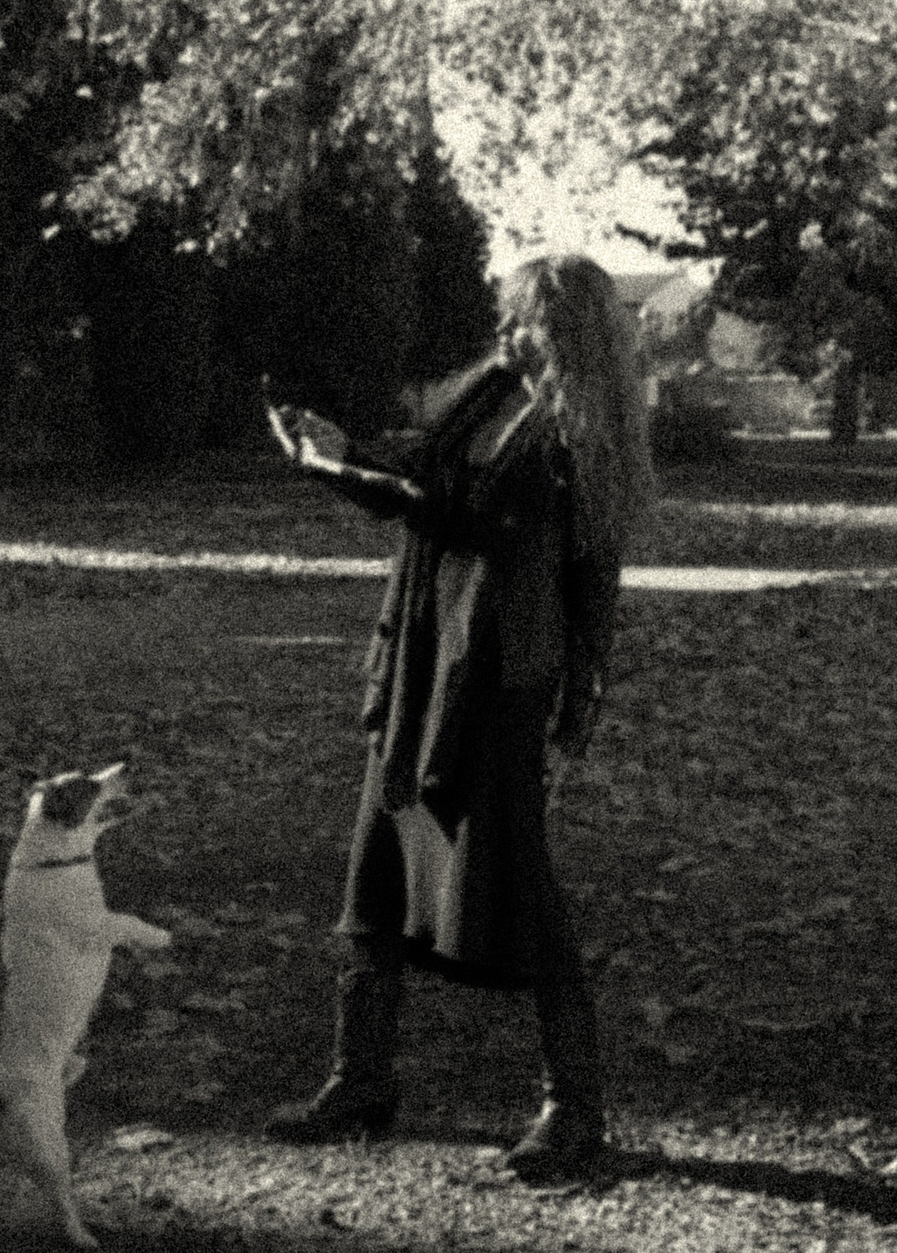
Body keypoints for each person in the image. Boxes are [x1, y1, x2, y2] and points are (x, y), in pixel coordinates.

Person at [260, 253, 653, 1181]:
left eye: (524, 320)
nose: (508, 333)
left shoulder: (566, 438)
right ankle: (360, 1079)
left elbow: (472, 518)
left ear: (563, 334)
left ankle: (576, 1107)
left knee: (518, 884)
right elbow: (424, 486)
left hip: (499, 680)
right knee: (377, 866)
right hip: (426, 660)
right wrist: (343, 452)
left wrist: (340, 470)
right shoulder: (486, 398)